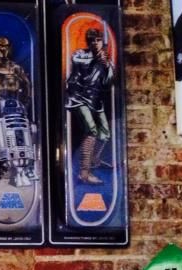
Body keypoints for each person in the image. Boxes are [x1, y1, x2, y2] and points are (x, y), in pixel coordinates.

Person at [0, 36, 37, 187]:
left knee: (26, 132)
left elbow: (28, 84)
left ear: (10, 48)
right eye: (0, 46)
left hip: (17, 106)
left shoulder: (16, 68)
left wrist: (26, 101)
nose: (3, 49)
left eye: (6, 46)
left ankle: (27, 168)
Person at [65, 26, 115, 185]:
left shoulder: (105, 60)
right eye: (92, 40)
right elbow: (77, 65)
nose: (95, 43)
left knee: (105, 133)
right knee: (91, 131)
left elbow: (108, 83)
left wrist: (106, 65)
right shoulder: (80, 55)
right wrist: (96, 60)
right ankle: (84, 173)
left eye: (98, 40)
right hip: (78, 98)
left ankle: (93, 158)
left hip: (95, 99)